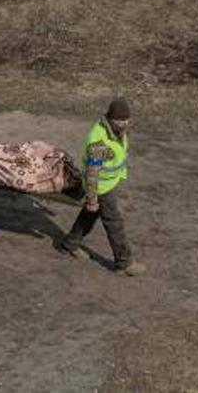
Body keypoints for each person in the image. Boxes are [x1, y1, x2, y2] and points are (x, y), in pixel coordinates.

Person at [55, 98, 144, 276]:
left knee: (89, 215)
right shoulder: (98, 141)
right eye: (120, 120)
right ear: (110, 119)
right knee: (114, 222)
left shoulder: (118, 131)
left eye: (127, 119)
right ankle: (124, 263)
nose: (124, 123)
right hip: (100, 187)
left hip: (108, 183)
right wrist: (92, 198)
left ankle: (69, 244)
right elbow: (92, 173)